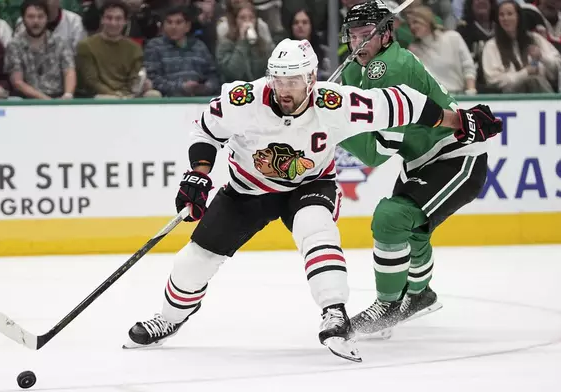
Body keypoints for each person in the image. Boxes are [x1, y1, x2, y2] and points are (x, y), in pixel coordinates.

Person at [123, 37, 502, 361]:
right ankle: (169, 318)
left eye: (294, 81)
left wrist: (461, 120)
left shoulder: (337, 104)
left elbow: (408, 104)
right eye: (279, 80)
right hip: (248, 188)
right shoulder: (243, 98)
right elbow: (206, 128)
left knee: (315, 228)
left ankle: (334, 313)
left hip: (310, 184)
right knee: (195, 259)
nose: (285, 90)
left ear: (312, 79)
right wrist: (199, 173)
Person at [337, 0, 501, 339]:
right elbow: (343, 103)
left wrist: (329, 128)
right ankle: (419, 295)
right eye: (353, 36)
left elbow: (377, 152)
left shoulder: (392, 68)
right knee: (412, 228)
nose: (358, 45)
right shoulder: (364, 65)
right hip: (423, 160)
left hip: (457, 157)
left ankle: (389, 306)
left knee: (391, 217)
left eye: (366, 35)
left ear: (386, 34)